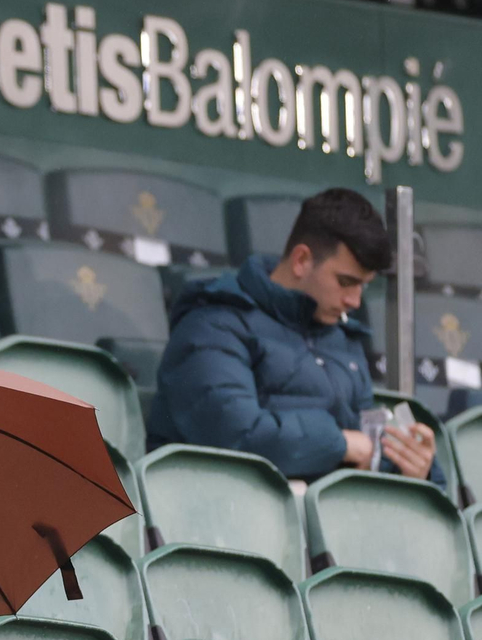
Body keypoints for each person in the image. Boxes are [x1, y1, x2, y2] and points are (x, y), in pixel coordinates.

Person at [148, 188, 442, 484]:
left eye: (363, 286)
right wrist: (339, 443)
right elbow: (235, 437)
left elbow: (368, 449)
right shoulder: (213, 323)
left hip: (329, 518)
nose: (354, 301)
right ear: (301, 260)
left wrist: (413, 468)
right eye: (345, 282)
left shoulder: (342, 339)